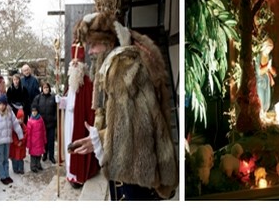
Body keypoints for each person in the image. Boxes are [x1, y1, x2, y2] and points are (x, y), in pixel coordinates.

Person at [69, 12, 178, 200]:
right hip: (133, 173)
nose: (90, 52)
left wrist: (100, 140)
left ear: (109, 43)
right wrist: (99, 139)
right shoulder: (116, 65)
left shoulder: (123, 68)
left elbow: (137, 130)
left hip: (135, 176)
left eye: (93, 45)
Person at [62, 41, 100, 188]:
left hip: (79, 122)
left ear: (83, 64)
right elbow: (69, 100)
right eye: (73, 62)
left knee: (78, 146)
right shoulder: (72, 82)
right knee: (68, 144)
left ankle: (78, 175)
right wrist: (62, 101)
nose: (75, 64)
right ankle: (70, 172)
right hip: (69, 121)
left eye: (78, 62)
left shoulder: (87, 83)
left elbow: (90, 108)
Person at [0, 95, 23, 185]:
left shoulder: (10, 113)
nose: (2, 106)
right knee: (1, 159)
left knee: (6, 159)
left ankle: (7, 175)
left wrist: (20, 135)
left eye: (3, 104)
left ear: (6, 105)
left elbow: (15, 124)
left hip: (7, 140)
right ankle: (2, 176)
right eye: (0, 104)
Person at [33, 82, 58, 163]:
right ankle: (44, 154)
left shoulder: (53, 97)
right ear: (42, 89)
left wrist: (55, 119)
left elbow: (57, 110)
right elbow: (34, 107)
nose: (46, 89)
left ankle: (51, 156)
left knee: (51, 140)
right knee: (44, 140)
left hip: (51, 123)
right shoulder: (38, 98)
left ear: (49, 89)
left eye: (47, 88)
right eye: (44, 88)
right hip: (42, 123)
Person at [256, 38, 277, 115]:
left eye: (270, 49)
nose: (269, 51)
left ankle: (265, 114)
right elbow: (258, 71)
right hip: (260, 82)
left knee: (267, 102)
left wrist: (270, 67)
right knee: (261, 101)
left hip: (268, 81)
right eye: (268, 49)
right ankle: (261, 115)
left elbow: (274, 73)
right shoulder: (258, 56)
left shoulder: (270, 57)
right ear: (264, 47)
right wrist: (267, 67)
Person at [26, 105, 46, 173]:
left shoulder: (41, 119)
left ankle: (38, 164)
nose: (34, 112)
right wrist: (28, 143)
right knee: (33, 155)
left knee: (39, 154)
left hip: (40, 141)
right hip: (33, 142)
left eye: (35, 111)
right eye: (33, 111)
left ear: (37, 112)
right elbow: (28, 133)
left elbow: (43, 130)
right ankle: (33, 166)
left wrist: (44, 139)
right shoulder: (30, 121)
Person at [10, 108, 27, 174]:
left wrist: (22, 142)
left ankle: (21, 169)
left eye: (22, 119)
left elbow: (26, 134)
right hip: (15, 146)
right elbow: (13, 136)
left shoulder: (24, 126)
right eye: (19, 119)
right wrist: (17, 143)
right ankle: (15, 169)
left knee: (20, 159)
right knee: (15, 158)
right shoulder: (14, 126)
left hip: (21, 146)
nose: (20, 120)